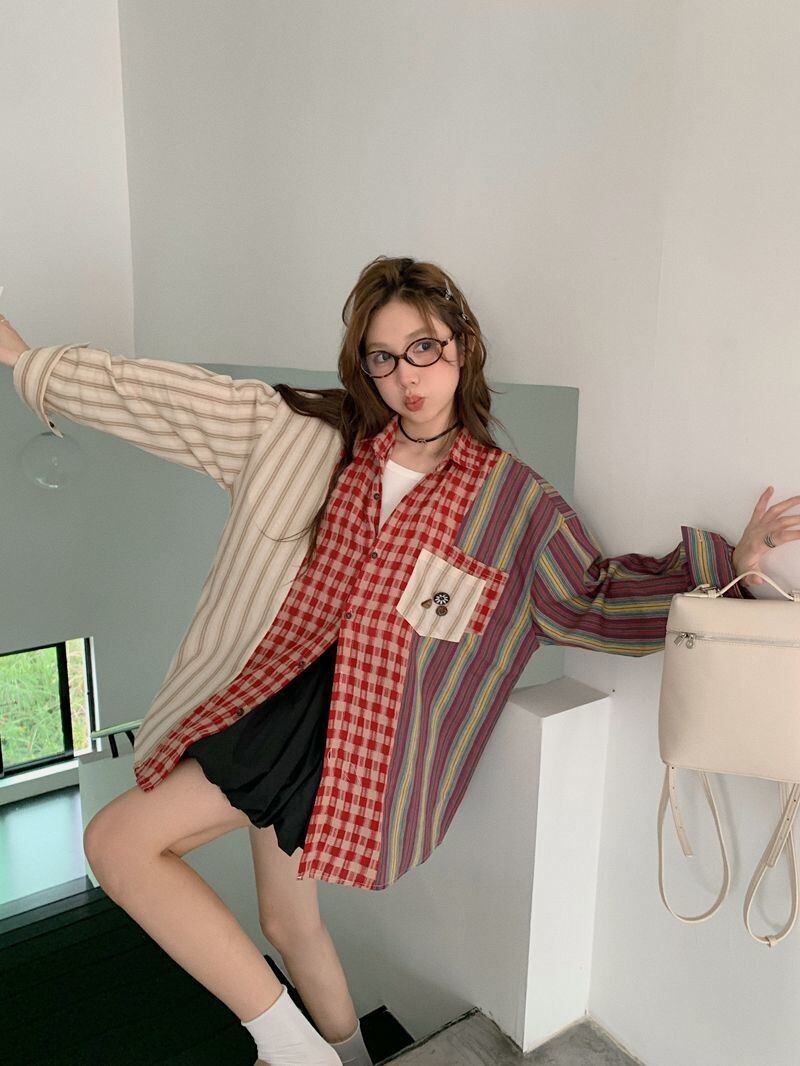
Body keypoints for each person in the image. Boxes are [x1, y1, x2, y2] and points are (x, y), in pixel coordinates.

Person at [2, 255, 797, 1066]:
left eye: (423, 348)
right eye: (383, 357)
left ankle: (293, 1053)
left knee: (117, 843)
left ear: (462, 347)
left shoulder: (512, 504)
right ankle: (344, 1058)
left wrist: (728, 569)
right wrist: (29, 361)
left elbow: (590, 599)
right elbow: (167, 400)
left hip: (348, 737)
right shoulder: (316, 442)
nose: (406, 376)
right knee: (287, 922)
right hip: (274, 689)